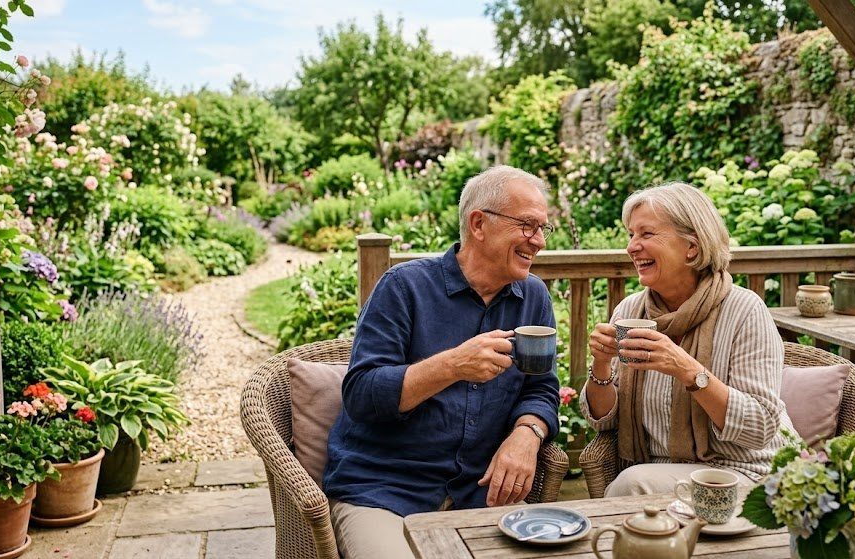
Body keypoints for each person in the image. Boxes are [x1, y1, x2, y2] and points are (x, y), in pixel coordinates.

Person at [323, 165, 561, 559]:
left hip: (479, 492)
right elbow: (362, 395)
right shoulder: (404, 287)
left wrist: (527, 434)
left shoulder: (533, 298)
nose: (538, 241)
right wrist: (452, 366)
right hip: (384, 490)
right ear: (479, 224)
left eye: (542, 228)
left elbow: (542, 388)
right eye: (527, 225)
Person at [582, 181, 795, 497]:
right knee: (634, 482)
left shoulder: (744, 310)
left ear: (692, 247)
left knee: (631, 485)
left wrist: (687, 370)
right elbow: (603, 423)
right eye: (631, 235)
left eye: (646, 234)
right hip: (662, 471)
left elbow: (760, 426)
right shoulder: (630, 310)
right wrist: (601, 364)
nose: (632, 247)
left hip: (746, 473)